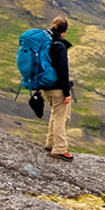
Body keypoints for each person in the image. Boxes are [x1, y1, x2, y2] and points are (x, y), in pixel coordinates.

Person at [43, 15, 75, 160]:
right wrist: (67, 93)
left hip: (46, 86)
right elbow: (63, 71)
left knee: (55, 114)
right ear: (65, 32)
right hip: (57, 88)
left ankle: (50, 143)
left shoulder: (46, 43)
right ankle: (60, 149)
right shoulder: (60, 46)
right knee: (61, 117)